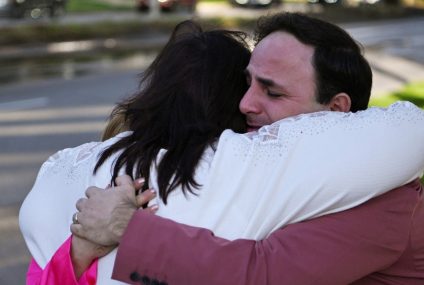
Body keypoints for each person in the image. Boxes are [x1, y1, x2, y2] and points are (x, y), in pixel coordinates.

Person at [21, 15, 424, 285]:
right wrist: (77, 254)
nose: (245, 104)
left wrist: (127, 229)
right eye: (246, 84)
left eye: (272, 91)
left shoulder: (385, 199)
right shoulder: (279, 174)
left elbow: (261, 274)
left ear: (336, 110)